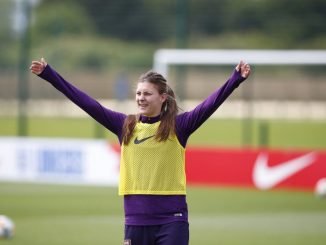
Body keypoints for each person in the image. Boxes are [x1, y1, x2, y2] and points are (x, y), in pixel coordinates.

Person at [30, 58, 251, 245]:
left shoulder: (179, 126)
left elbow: (209, 105)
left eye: (147, 93)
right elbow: (86, 102)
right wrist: (49, 75)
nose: (141, 98)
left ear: (163, 97)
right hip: (135, 220)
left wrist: (235, 80)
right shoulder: (125, 125)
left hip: (172, 220)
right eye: (138, 93)